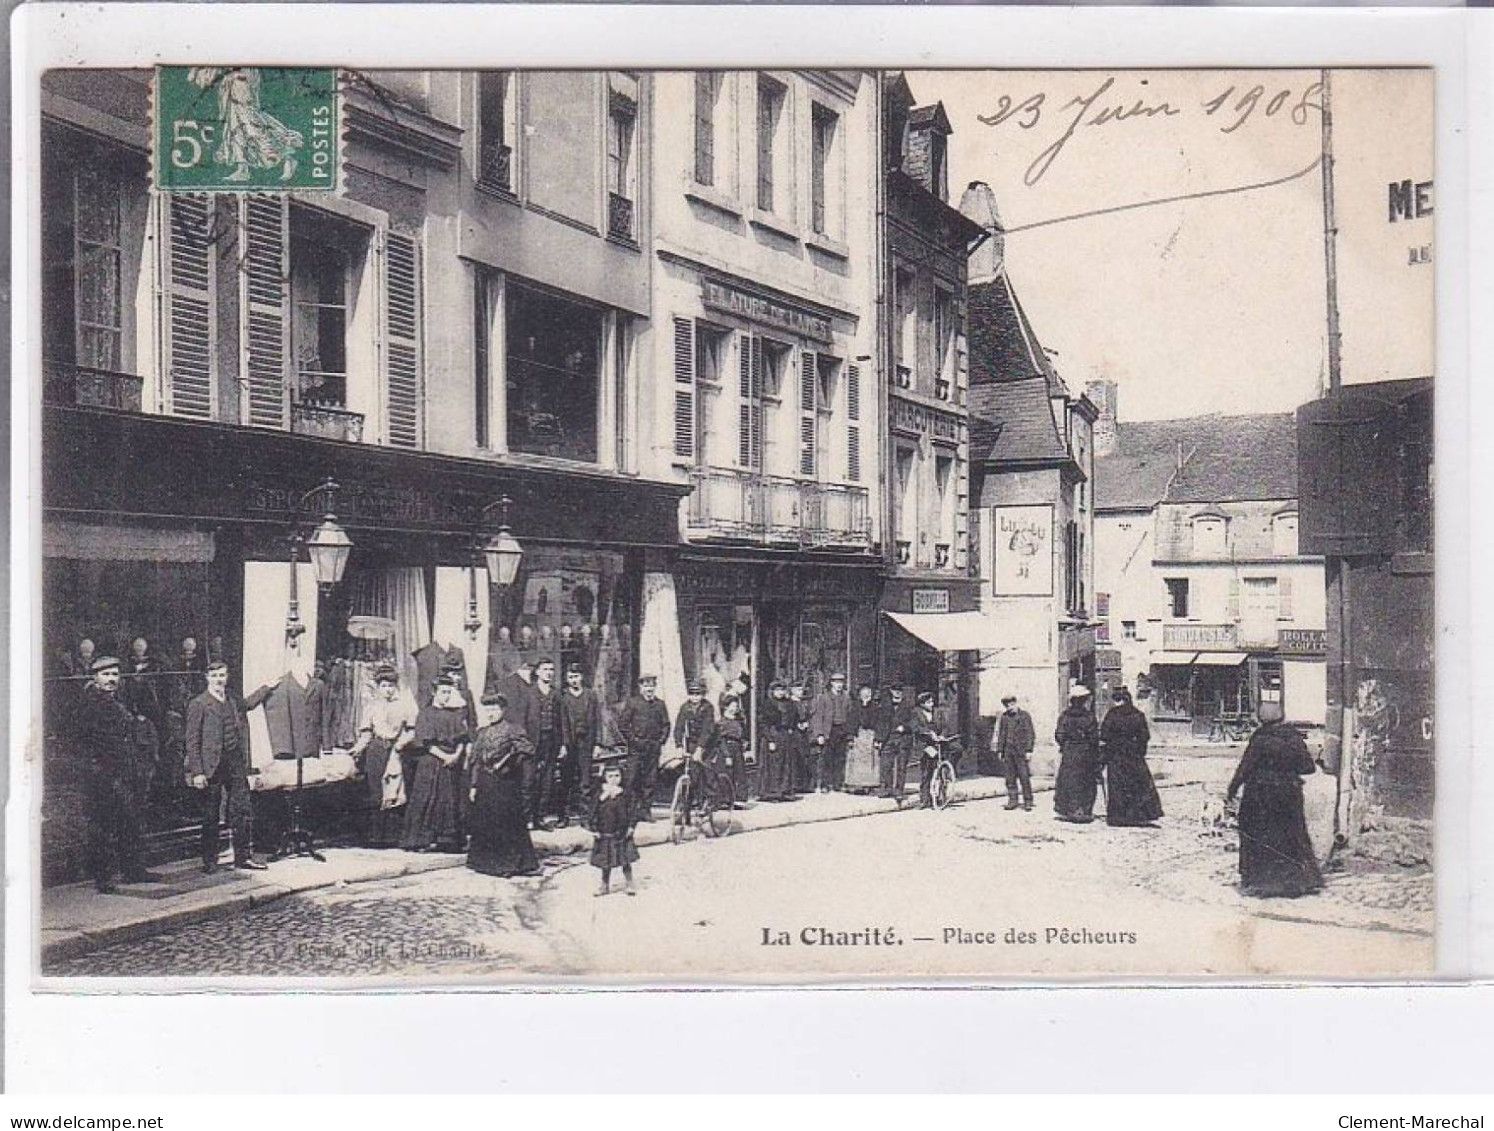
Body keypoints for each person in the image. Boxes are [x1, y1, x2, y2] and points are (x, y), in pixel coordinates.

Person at [74, 656, 161, 892]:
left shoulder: (116, 700)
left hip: (123, 772)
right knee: (102, 825)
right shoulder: (90, 703)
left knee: (129, 820)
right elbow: (85, 742)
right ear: (95, 677)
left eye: (115, 675)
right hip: (101, 775)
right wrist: (100, 771)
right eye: (106, 675)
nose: (111, 679)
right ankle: (103, 878)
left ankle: (133, 870)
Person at [1226, 701, 1323, 898]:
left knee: (1258, 835)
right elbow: (1308, 767)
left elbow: (1246, 767)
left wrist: (1232, 789)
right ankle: (1299, 881)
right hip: (1289, 793)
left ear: (1262, 719)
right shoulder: (1294, 738)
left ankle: (1261, 882)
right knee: (1291, 835)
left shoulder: (1260, 738)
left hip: (1260, 794)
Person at [184, 661, 265, 873]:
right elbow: (192, 741)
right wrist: (197, 772)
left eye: (223, 675)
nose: (220, 679)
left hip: (235, 762)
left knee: (241, 809)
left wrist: (268, 687)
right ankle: (210, 861)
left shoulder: (232, 700)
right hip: (211, 766)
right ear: (207, 678)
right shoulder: (199, 703)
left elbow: (248, 704)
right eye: (215, 676)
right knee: (211, 814)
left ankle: (243, 857)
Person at [466, 692, 539, 878]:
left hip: (506, 785)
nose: (491, 713)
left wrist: (512, 765)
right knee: (486, 823)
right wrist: (474, 786)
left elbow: (527, 751)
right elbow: (476, 762)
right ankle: (485, 863)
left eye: (495, 709)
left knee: (506, 824)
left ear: (503, 710)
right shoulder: (482, 733)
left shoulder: (513, 730)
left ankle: (509, 864)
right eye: (487, 709)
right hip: (485, 784)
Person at [349, 665, 418, 847]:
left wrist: (399, 746)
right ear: (378, 687)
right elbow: (366, 733)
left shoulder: (405, 705)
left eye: (390, 686)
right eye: (383, 686)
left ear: (396, 686)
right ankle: (376, 836)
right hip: (376, 750)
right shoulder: (372, 707)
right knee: (376, 791)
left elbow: (411, 731)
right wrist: (358, 748)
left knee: (395, 788)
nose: (387, 690)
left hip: (398, 749)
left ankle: (394, 836)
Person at [402, 673, 471, 852]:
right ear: (434, 693)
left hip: (451, 764)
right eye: (442, 692)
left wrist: (456, 755)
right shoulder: (425, 715)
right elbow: (425, 743)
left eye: (448, 692)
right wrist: (444, 756)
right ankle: (422, 840)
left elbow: (463, 739)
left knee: (450, 800)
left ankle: (447, 841)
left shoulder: (454, 715)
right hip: (431, 762)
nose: (445, 696)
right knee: (427, 798)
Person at [1098, 687, 1164, 827]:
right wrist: (1140, 752)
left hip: (1116, 756)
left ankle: (1118, 817)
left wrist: (1105, 755)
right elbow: (1145, 736)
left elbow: (1104, 735)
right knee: (1137, 786)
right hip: (1133, 756)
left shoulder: (1112, 714)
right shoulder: (1138, 714)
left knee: (1117, 787)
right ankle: (1137, 816)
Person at [613, 673, 671, 821]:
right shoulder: (633, 703)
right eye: (646, 686)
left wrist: (660, 741)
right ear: (640, 688)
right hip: (636, 748)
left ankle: (645, 810)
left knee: (650, 780)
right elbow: (623, 725)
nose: (649, 689)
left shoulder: (660, 704)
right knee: (632, 779)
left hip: (653, 747)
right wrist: (633, 741)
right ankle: (629, 812)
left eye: (651, 686)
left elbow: (666, 725)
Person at [559, 663, 603, 825]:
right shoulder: (563, 697)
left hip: (587, 743)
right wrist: (563, 744)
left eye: (576, 676)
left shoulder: (591, 695)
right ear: (566, 678)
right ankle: (563, 816)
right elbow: (562, 722)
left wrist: (598, 743)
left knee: (585, 781)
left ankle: (586, 817)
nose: (574, 680)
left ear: (582, 677)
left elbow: (598, 720)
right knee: (567, 780)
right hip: (569, 743)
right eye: (570, 677)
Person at [589, 760, 639, 897]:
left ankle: (629, 883)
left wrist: (631, 826)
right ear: (604, 777)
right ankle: (604, 885)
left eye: (617, 776)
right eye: (610, 776)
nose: (614, 779)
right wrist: (593, 828)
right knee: (606, 861)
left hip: (621, 832)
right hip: (605, 831)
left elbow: (633, 810)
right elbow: (592, 812)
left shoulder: (625, 794)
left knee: (625, 859)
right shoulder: (600, 795)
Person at [526, 658, 565, 829]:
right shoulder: (529, 693)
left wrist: (563, 744)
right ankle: (527, 818)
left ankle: (540, 817)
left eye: (551, 669)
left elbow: (562, 720)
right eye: (545, 669)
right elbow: (522, 719)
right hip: (532, 740)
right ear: (537, 672)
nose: (548, 672)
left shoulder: (557, 694)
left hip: (552, 741)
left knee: (547, 780)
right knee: (530, 779)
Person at [1053, 683, 1100, 823]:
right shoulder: (1089, 717)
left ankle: (1069, 810)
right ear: (1084, 700)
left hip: (1069, 753)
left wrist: (1066, 744)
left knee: (1069, 781)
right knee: (1085, 781)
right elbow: (1093, 738)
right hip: (1085, 753)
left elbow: (1059, 735)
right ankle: (1084, 810)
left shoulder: (1065, 716)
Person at [809, 672, 853, 793]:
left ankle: (838, 783)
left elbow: (850, 716)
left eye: (841, 682)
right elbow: (818, 716)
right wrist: (819, 734)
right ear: (831, 683)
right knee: (826, 758)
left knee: (840, 758)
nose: (839, 685)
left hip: (842, 730)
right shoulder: (824, 697)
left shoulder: (846, 697)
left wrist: (850, 734)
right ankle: (825, 784)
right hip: (829, 730)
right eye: (836, 682)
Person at [704, 694, 749, 805]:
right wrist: (727, 754)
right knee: (726, 774)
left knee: (740, 773)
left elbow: (743, 734)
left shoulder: (739, 721)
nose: (735, 708)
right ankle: (724, 799)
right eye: (732, 705)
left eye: (736, 705)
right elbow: (720, 739)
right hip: (726, 748)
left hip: (737, 748)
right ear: (726, 707)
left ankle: (739, 798)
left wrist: (744, 742)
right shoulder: (721, 723)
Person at [995, 695, 1036, 812]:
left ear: (1016, 703)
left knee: (1024, 776)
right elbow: (1001, 734)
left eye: (1011, 704)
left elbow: (1030, 734)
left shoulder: (1024, 716)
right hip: (1008, 751)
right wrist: (1000, 750)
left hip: (1021, 751)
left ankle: (1028, 801)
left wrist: (1029, 750)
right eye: (1007, 705)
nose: (1010, 707)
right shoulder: (1004, 717)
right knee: (1010, 777)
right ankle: (1013, 800)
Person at [759, 680, 796, 802]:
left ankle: (785, 791)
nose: (780, 693)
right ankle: (771, 793)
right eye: (777, 690)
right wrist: (770, 740)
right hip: (773, 734)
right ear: (772, 691)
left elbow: (793, 718)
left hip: (785, 735)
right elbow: (763, 723)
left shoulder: (788, 703)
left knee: (786, 762)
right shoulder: (768, 704)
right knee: (773, 764)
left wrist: (791, 728)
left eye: (782, 690)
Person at [878, 686, 917, 800]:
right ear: (891, 692)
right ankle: (886, 788)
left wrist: (904, 727)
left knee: (901, 766)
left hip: (903, 739)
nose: (897, 693)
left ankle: (899, 790)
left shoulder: (909, 706)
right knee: (886, 765)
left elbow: (914, 723)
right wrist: (879, 739)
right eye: (895, 691)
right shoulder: (885, 706)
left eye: (899, 691)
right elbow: (880, 723)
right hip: (888, 738)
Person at [913, 691, 948, 810]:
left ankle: (941, 797)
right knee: (926, 773)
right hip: (925, 745)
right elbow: (916, 728)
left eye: (932, 702)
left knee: (940, 771)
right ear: (922, 704)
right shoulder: (916, 713)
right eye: (928, 702)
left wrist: (942, 735)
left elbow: (944, 726)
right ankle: (924, 799)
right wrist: (928, 733)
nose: (931, 704)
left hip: (938, 743)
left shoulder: (938, 712)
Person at [843, 684, 881, 793]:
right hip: (858, 735)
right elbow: (850, 722)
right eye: (864, 693)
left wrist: (878, 739)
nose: (866, 695)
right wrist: (850, 737)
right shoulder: (855, 707)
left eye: (868, 693)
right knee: (856, 760)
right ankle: (856, 784)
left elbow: (879, 723)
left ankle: (870, 785)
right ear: (860, 695)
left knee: (871, 760)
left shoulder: (876, 707)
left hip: (871, 735)